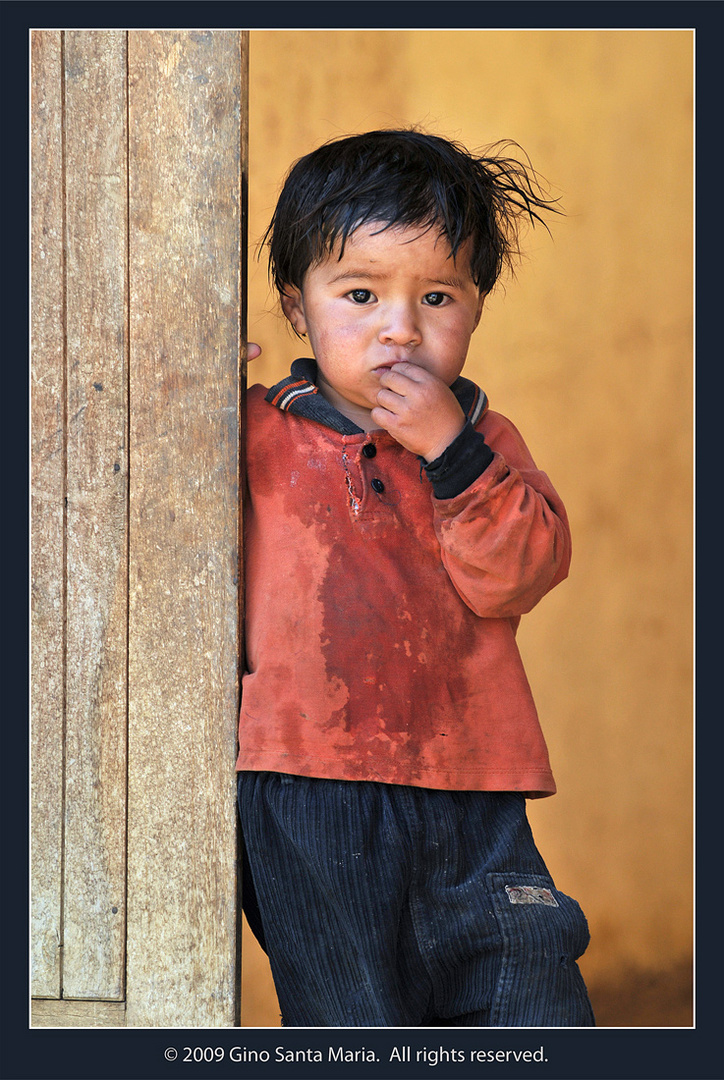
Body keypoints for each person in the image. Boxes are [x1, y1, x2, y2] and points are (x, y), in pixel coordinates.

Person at [236, 129, 595, 1028]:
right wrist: (181, 388)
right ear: (296, 308)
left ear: (475, 310)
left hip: (474, 787)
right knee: (353, 1025)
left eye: (437, 296)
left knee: (531, 996)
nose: (401, 328)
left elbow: (514, 576)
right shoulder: (255, 432)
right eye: (359, 294)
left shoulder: (485, 443)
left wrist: (452, 454)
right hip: (308, 790)